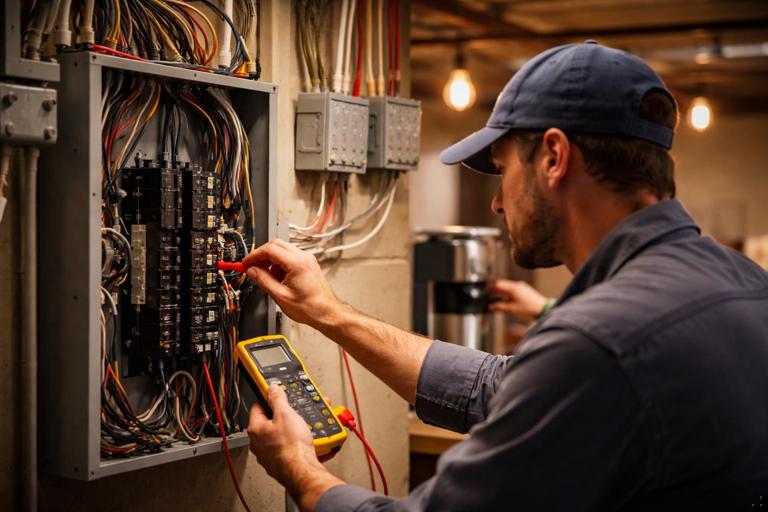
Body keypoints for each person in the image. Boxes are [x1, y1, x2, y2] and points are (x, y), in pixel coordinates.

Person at [243, 41, 768, 510]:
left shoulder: (600, 342)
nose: (496, 202)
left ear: (554, 159)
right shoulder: (745, 285)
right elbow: (496, 386)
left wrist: (300, 469)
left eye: (502, 168)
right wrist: (329, 314)